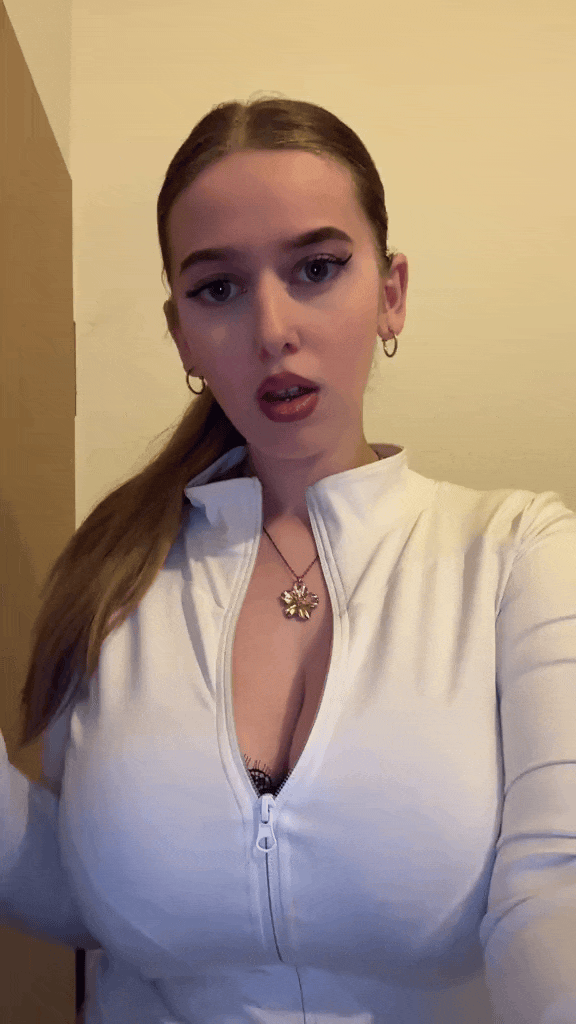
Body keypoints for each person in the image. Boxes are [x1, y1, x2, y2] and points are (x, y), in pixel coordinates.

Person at [2, 94, 576, 1024]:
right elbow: (88, 893)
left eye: (316, 268)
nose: (271, 328)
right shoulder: (114, 574)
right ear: (181, 332)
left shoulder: (518, 556)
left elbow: (556, 889)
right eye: (218, 289)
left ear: (391, 293)